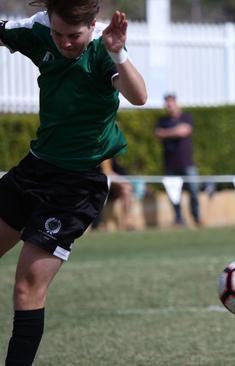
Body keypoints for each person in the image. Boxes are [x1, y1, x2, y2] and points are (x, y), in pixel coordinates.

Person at [0, 1, 147, 364]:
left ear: (93, 26)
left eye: (74, 36)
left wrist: (118, 54)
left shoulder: (101, 54)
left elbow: (139, 95)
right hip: (33, 171)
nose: (65, 43)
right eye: (58, 34)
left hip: (75, 188)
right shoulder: (39, 35)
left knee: (26, 289)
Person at [155, 93, 201, 227]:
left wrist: (166, 133)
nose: (169, 106)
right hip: (170, 164)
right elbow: (158, 134)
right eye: (167, 104)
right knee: (174, 195)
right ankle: (179, 219)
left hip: (187, 163)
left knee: (194, 191)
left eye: (171, 103)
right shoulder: (162, 120)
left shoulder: (186, 117)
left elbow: (184, 131)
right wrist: (174, 131)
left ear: (176, 103)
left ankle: (197, 218)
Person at [94, 158, 135, 230]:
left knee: (126, 189)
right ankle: (98, 223)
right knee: (126, 186)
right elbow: (107, 172)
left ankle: (127, 221)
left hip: (112, 186)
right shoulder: (105, 151)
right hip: (99, 183)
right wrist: (123, 181)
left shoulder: (117, 154)